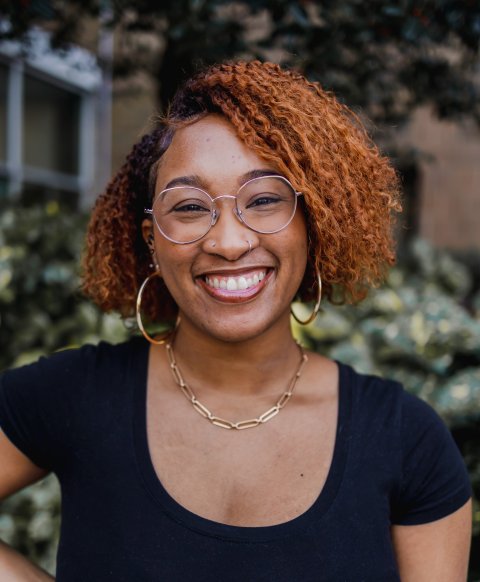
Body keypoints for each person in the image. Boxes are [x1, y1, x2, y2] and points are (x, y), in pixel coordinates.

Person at [0, 60, 472, 581]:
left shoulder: (406, 440)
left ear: (313, 223)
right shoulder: (75, 396)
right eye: (189, 207)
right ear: (152, 241)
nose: (228, 242)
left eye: (264, 199)